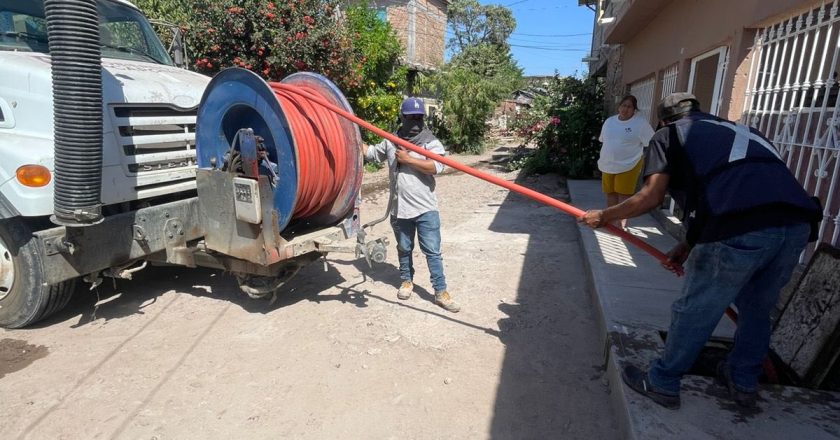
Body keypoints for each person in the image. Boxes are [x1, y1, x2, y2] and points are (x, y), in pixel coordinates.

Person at [580, 92, 821, 410]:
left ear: (664, 120)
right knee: (756, 309)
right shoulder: (741, 131)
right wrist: (689, 243)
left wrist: (603, 215)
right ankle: (743, 380)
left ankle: (663, 382)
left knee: (696, 308)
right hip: (796, 226)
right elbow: (729, 186)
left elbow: (651, 197)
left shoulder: (669, 134)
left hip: (740, 225)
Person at [363, 97, 460, 313]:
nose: (415, 121)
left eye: (419, 117)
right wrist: (348, 135)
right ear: (402, 117)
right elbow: (370, 153)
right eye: (411, 117)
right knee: (404, 248)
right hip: (399, 210)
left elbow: (436, 167)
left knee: (432, 251)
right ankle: (406, 281)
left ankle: (440, 291)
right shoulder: (390, 142)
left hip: (426, 209)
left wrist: (408, 160)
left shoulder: (430, 142)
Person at [597, 95, 655, 229]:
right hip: (608, 164)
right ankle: (611, 221)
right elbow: (603, 140)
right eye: (623, 105)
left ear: (634, 110)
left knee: (624, 195)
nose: (625, 109)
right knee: (610, 193)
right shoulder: (609, 122)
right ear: (619, 107)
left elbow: (651, 142)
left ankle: (621, 225)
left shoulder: (640, 124)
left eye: (629, 107)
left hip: (629, 164)